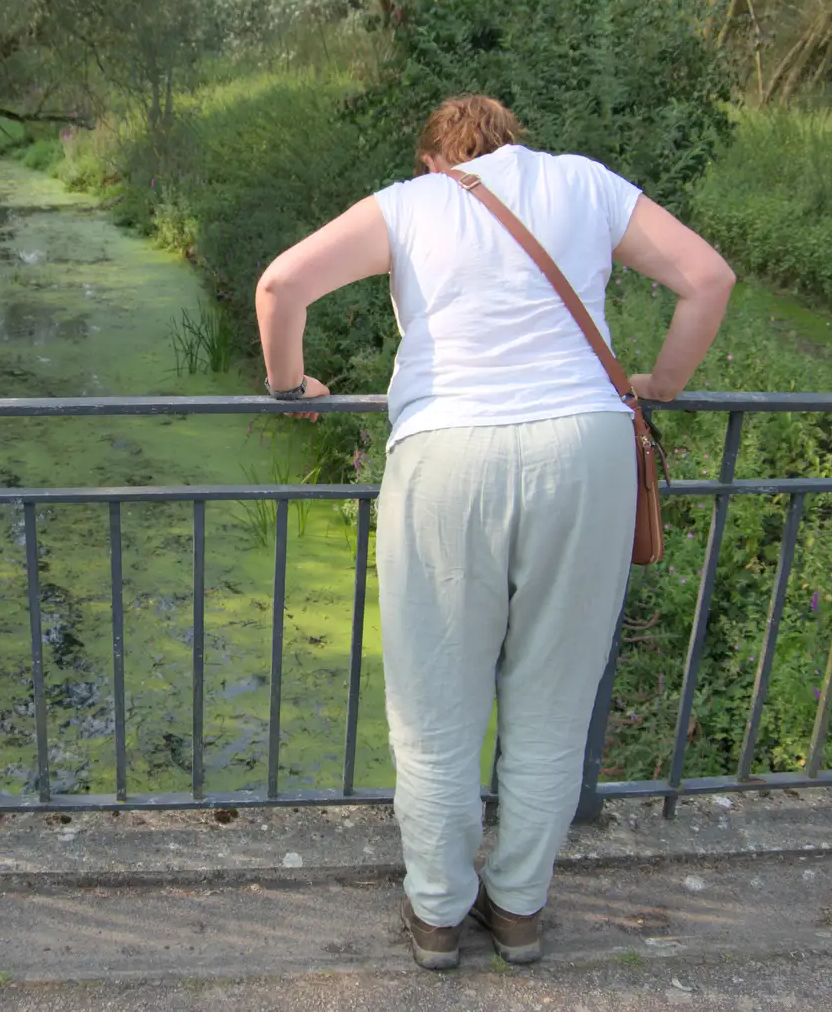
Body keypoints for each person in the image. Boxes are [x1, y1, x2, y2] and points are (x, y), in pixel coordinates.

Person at [253, 96, 732, 969]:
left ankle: (437, 915)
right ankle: (518, 910)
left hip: (446, 454)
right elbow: (708, 279)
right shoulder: (583, 184)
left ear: (439, 160)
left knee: (436, 711)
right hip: (585, 455)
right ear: (517, 143)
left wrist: (291, 388)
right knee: (553, 706)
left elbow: (282, 283)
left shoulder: (411, 202)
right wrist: (660, 381)